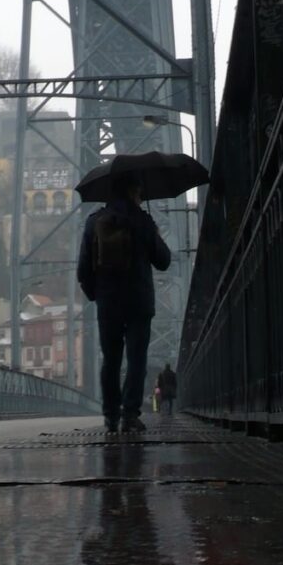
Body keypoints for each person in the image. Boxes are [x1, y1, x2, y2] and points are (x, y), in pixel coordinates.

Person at [77, 175, 171, 434]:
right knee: (136, 358)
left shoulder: (94, 221)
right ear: (133, 191)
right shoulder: (143, 221)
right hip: (140, 301)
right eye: (139, 191)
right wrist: (156, 235)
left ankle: (110, 416)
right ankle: (130, 415)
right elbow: (163, 261)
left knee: (111, 359)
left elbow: (83, 270)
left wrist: (97, 295)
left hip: (108, 303)